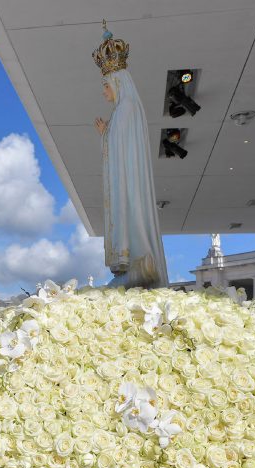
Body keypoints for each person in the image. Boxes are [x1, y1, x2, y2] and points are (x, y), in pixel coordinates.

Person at [92, 21, 169, 289]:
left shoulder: (125, 110)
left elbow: (120, 148)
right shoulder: (124, 110)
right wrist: (106, 135)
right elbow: (120, 145)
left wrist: (106, 136)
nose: (103, 92)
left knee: (129, 213)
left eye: (105, 86)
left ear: (116, 81)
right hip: (126, 177)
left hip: (127, 181)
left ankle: (136, 260)